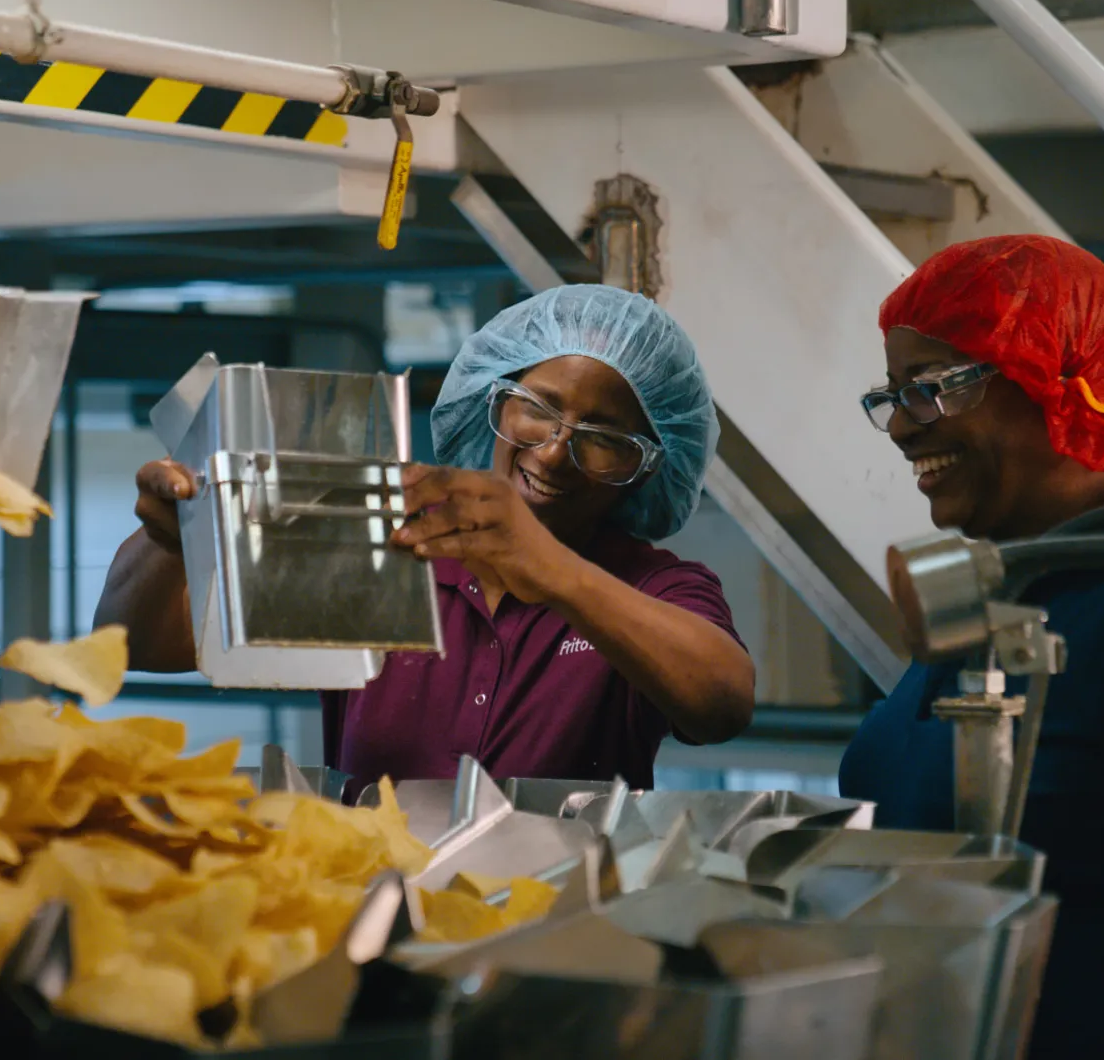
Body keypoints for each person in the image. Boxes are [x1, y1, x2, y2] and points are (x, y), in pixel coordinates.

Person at [95, 284, 755, 794]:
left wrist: (549, 568)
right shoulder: (381, 548)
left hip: (558, 934)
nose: (554, 455)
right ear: (493, 400)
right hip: (371, 919)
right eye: (538, 409)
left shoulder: (649, 589)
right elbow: (135, 644)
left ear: (645, 469)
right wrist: (174, 539)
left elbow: (721, 704)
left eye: (605, 439)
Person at [839, 234, 1104, 1060]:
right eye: (892, 395)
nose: (902, 430)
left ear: (1058, 379)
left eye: (931, 389)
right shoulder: (1016, 581)